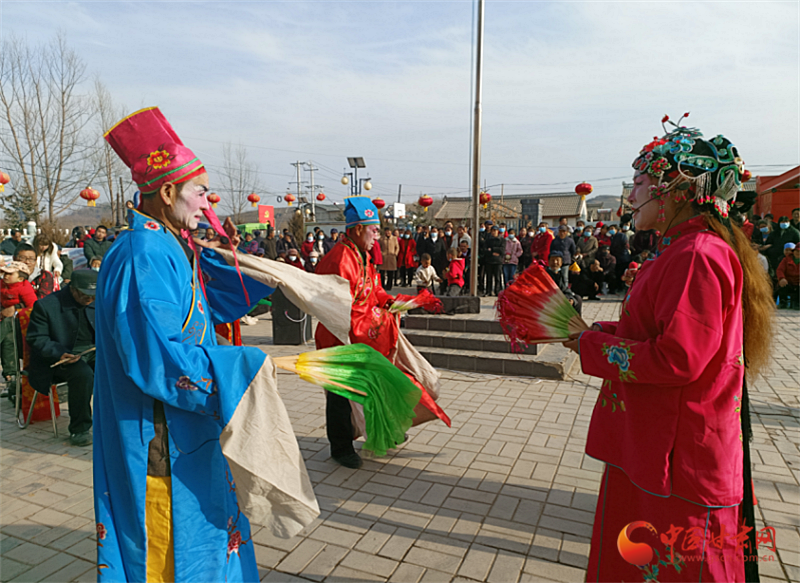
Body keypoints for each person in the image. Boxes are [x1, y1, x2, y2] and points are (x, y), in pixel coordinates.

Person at [95, 106, 317, 583]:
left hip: (187, 424)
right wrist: (241, 368)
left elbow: (208, 303)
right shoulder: (142, 255)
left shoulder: (170, 242)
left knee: (207, 537)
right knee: (169, 552)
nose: (207, 204)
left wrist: (246, 260)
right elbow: (159, 357)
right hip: (161, 433)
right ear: (167, 193)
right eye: (199, 192)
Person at [564, 117, 774, 582]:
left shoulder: (696, 254)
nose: (631, 196)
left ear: (675, 190)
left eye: (640, 183)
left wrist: (591, 346)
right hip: (660, 445)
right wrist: (593, 332)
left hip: (677, 458)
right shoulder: (687, 249)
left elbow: (677, 358)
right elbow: (657, 331)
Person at [314, 197, 446, 468]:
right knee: (341, 395)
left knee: (377, 388)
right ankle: (340, 448)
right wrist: (377, 318)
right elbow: (338, 309)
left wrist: (396, 302)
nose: (377, 235)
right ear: (358, 228)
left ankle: (384, 429)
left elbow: (374, 291)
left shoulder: (362, 256)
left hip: (363, 334)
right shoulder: (339, 260)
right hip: (339, 339)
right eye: (374, 230)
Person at [26, 269, 97, 446]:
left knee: (117, 369)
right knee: (82, 374)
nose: (89, 299)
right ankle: (79, 429)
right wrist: (59, 352)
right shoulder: (47, 305)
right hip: (59, 357)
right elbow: (37, 338)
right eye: (84, 295)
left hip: (93, 351)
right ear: (72, 289)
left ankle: (118, 421)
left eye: (93, 295)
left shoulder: (100, 301)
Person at [0, 261, 38, 385]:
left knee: (9, 339)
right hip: (4, 316)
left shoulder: (24, 287)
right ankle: (10, 374)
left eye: (10, 274)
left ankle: (11, 374)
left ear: (20, 278)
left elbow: (33, 307)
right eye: (5, 273)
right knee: (8, 342)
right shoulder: (2, 284)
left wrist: (16, 310)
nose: (6, 276)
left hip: (19, 320)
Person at [420, 227, 447, 293]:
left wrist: (443, 261)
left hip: (439, 261)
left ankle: (442, 289)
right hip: (429, 262)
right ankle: (431, 290)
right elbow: (424, 250)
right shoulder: (427, 241)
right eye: (432, 231)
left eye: (435, 231)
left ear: (437, 232)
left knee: (440, 275)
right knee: (429, 276)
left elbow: (443, 251)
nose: (434, 233)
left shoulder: (441, 241)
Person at [776, 243, 799, 309]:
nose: (798, 253)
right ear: (793, 252)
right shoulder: (786, 260)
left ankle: (797, 303)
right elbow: (780, 270)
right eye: (796, 251)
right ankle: (783, 302)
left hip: (798, 282)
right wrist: (782, 278)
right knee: (782, 285)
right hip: (788, 281)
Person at [483, 226, 504, 296]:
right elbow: (485, 250)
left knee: (497, 277)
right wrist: (492, 252)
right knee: (489, 277)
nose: (494, 232)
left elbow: (502, 250)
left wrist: (492, 249)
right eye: (492, 231)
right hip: (489, 260)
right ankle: (488, 291)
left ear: (498, 231)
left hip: (498, 261)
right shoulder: (488, 240)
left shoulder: (502, 240)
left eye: (495, 231)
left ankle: (497, 291)